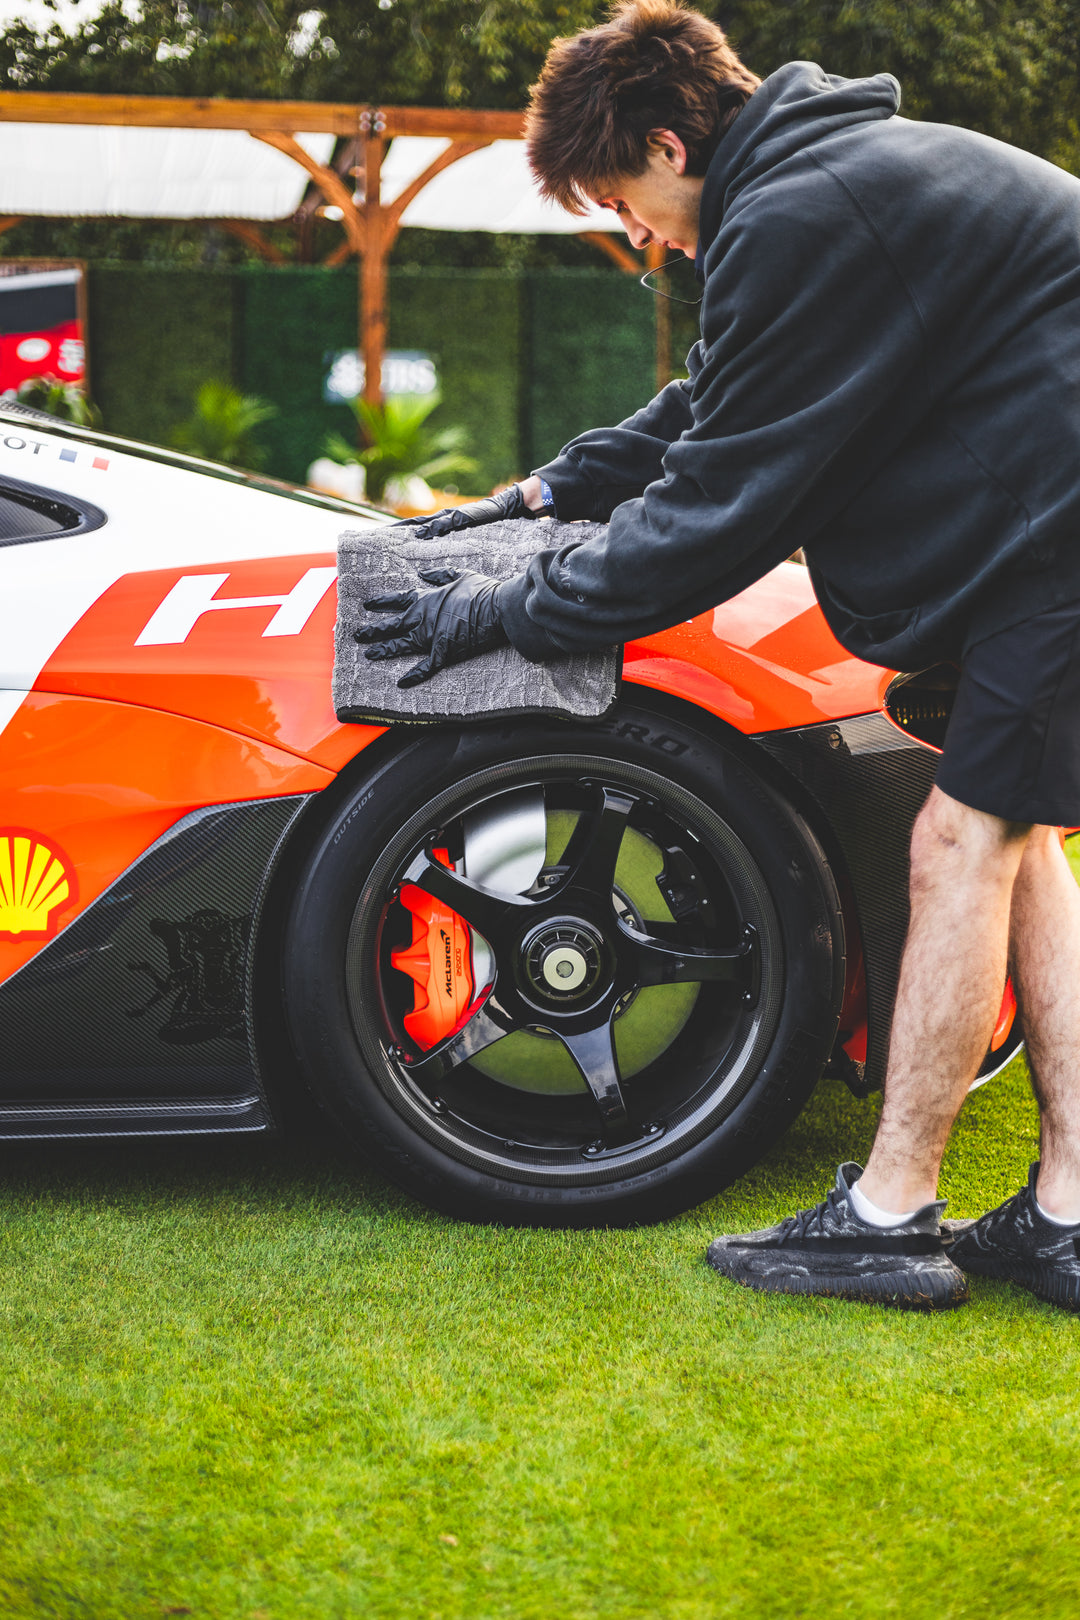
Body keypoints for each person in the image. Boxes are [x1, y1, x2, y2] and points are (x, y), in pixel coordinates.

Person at [357, 0, 1080, 1312]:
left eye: (620, 202)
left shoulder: (805, 211)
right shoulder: (827, 183)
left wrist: (500, 612)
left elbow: (714, 517)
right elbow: (719, 405)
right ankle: (1070, 1211)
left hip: (1058, 539)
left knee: (961, 840)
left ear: (669, 146)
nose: (635, 236)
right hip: (1047, 525)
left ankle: (890, 1216)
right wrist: (540, 498)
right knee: (1012, 842)